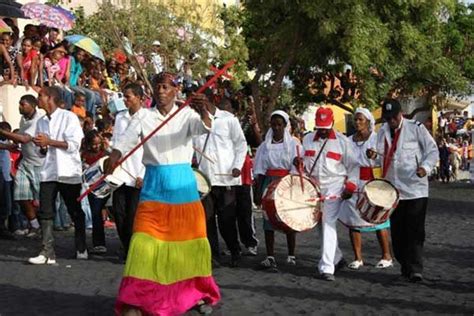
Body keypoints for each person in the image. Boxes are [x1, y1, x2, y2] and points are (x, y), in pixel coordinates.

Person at [105, 73, 220, 315]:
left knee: (189, 244)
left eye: (166, 87)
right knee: (143, 243)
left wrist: (204, 111)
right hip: (154, 184)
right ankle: (136, 300)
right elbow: (124, 143)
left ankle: (196, 295)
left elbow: (205, 128)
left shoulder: (187, 113)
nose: (161, 91)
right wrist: (113, 158)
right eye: (157, 86)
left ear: (175, 90)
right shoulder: (143, 116)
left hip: (183, 187)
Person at [367, 99, 438, 282]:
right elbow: (376, 158)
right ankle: (405, 267)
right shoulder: (381, 132)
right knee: (398, 233)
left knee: (414, 230)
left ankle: (416, 269)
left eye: (393, 117)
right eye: (387, 118)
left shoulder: (416, 128)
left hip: (415, 189)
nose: (390, 121)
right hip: (393, 191)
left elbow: (432, 151)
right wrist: (372, 155)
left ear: (401, 114)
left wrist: (425, 167)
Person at [295, 107, 358, 281]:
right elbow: (300, 164)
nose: (322, 131)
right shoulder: (307, 139)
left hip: (334, 186)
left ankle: (326, 267)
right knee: (320, 225)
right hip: (314, 185)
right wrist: (297, 163)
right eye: (319, 127)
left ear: (331, 124)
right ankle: (336, 257)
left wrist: (350, 186)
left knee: (328, 221)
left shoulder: (343, 142)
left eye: (325, 127)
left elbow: (354, 166)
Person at [28, 86, 87, 265]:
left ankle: (81, 246)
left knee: (74, 210)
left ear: (50, 98)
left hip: (68, 171)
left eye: (41, 96)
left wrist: (49, 142)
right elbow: (41, 152)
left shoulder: (69, 117)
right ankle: (47, 251)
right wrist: (43, 147)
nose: (38, 99)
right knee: (45, 211)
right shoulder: (41, 121)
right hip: (48, 172)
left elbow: (73, 145)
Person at [193, 95, 248, 267]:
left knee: (227, 220)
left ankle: (235, 251)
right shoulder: (194, 121)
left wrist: (237, 165)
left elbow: (241, 144)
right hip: (205, 180)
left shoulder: (228, 119)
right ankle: (213, 256)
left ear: (207, 100)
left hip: (226, 179)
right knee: (207, 221)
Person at [338, 108, 393, 270]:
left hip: (373, 181)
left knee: (379, 219)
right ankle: (358, 257)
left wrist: (375, 157)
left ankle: (386, 255)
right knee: (353, 221)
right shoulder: (348, 141)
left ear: (369, 122)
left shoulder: (376, 139)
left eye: (361, 120)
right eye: (355, 120)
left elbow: (385, 159)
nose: (357, 123)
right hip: (353, 182)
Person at [253, 110, 298, 271]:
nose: (276, 127)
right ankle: (270, 255)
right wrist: (258, 191)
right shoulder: (264, 146)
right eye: (274, 124)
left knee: (288, 218)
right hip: (269, 183)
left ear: (285, 126)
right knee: (268, 219)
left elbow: (296, 166)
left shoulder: (294, 144)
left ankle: (291, 254)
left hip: (286, 183)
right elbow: (259, 168)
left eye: (280, 124)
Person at [0, 95, 44, 238]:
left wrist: (1, 132)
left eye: (23, 104)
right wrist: (12, 145)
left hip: (39, 164)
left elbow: (25, 138)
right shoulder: (23, 119)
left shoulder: (38, 120)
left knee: (41, 199)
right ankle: (35, 225)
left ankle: (45, 226)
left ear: (32, 105)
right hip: (25, 162)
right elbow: (20, 138)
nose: (20, 106)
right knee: (20, 195)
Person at [110, 83, 145, 258]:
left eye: (128, 96)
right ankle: (126, 246)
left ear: (140, 98)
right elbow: (117, 143)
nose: (125, 100)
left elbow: (151, 149)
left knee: (134, 215)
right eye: (124, 96)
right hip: (121, 174)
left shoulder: (147, 118)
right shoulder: (120, 118)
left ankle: (134, 250)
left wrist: (143, 174)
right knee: (119, 212)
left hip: (139, 173)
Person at [81, 129, 109, 254]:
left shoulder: (105, 153)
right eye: (94, 144)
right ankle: (98, 243)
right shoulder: (84, 155)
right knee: (96, 214)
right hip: (93, 189)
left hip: (108, 186)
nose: (96, 146)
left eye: (98, 144)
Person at [0, 122, 16, 240]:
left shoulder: (7, 142)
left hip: (7, 177)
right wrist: (9, 146)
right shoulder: (4, 144)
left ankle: (5, 227)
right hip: (2, 177)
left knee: (7, 204)